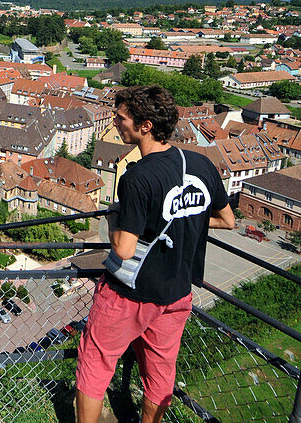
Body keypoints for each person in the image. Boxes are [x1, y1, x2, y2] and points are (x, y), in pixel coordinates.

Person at [75, 85, 234, 423]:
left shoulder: (138, 178)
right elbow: (226, 219)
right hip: (177, 293)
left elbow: (124, 248)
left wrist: (114, 216)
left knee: (96, 361)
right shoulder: (201, 165)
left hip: (129, 295)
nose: (116, 123)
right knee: (161, 371)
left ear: (145, 125)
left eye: (122, 118)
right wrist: (183, 218)